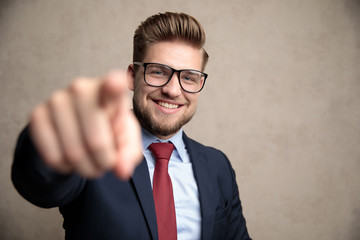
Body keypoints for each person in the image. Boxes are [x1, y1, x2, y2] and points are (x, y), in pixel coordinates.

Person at [11, 12, 252, 240]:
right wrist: (56, 134)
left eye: (188, 77)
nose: (173, 90)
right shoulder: (92, 148)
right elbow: (38, 185)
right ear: (131, 76)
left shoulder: (218, 166)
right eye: (158, 72)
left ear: (200, 85)